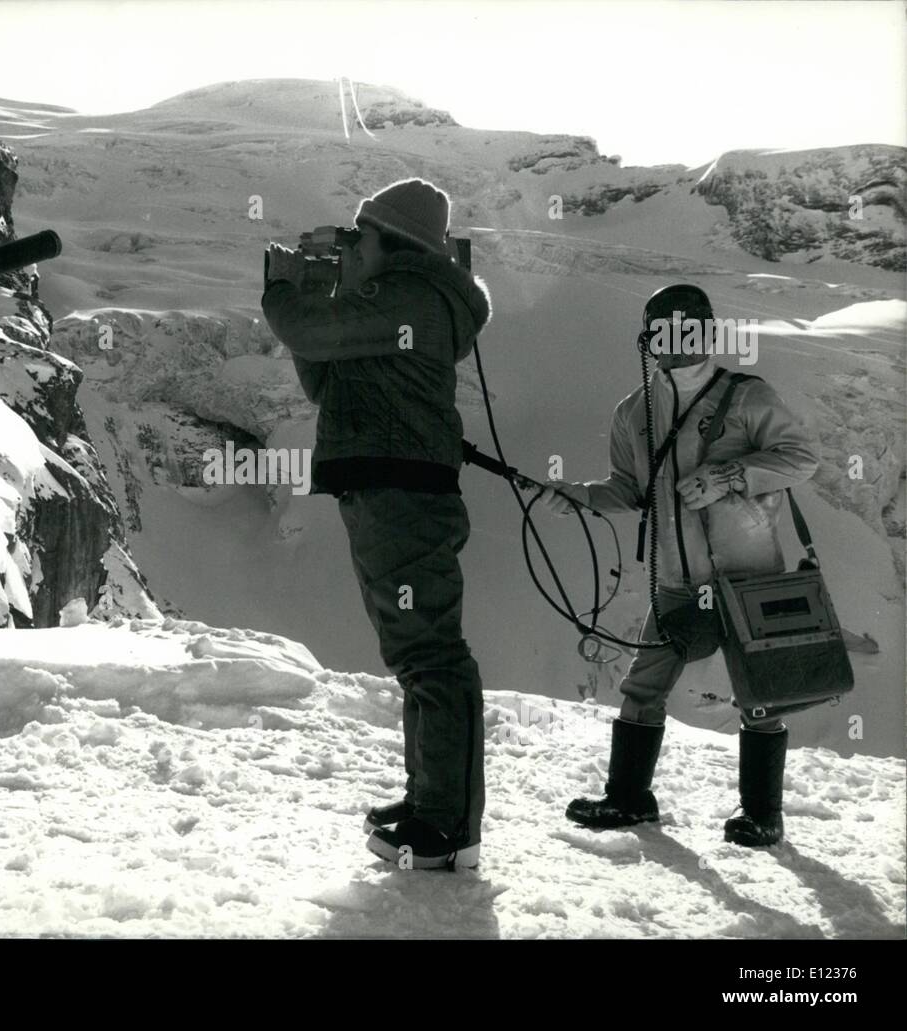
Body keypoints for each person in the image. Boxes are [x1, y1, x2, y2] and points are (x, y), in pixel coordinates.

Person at [262, 179, 492, 870]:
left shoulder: (411, 294)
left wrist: (284, 291)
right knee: (415, 654)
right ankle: (431, 803)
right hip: (385, 488)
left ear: (391, 241)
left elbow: (307, 331)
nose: (350, 247)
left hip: (401, 492)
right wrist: (317, 300)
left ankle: (446, 826)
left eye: (358, 236)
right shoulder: (391, 297)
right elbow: (324, 375)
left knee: (431, 655)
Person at [541, 284, 819, 846]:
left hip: (750, 579)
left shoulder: (748, 395)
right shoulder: (632, 412)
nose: (674, 342)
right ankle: (629, 800)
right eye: (664, 332)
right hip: (677, 581)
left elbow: (800, 458)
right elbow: (629, 489)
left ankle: (763, 815)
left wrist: (728, 477)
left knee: (759, 695)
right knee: (643, 686)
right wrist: (580, 497)